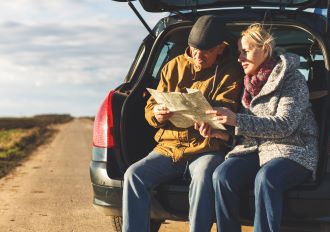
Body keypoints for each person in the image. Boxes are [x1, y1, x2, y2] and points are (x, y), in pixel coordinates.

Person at [122, 15, 243, 232]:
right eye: (193, 49)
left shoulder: (231, 71)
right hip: (169, 147)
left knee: (204, 176)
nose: (198, 56)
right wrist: (156, 115)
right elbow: (151, 106)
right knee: (133, 175)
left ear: (220, 48)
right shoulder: (171, 66)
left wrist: (213, 122)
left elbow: (229, 109)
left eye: (205, 51)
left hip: (206, 148)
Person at [196, 23, 319, 232]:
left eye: (245, 51)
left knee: (266, 178)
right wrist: (223, 134)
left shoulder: (293, 79)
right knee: (222, 175)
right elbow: (250, 135)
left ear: (265, 48)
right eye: (238, 53)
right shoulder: (249, 83)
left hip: (294, 150)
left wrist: (237, 120)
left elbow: (285, 125)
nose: (239, 58)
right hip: (257, 150)